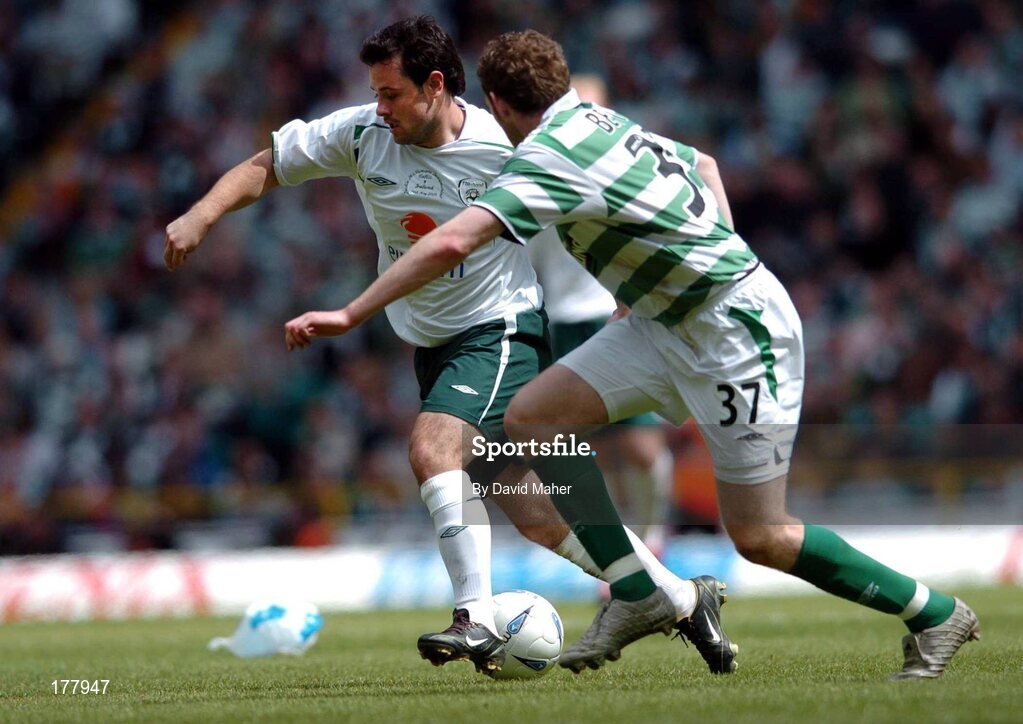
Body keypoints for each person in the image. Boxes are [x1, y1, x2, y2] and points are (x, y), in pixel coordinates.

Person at [281, 29, 980, 681]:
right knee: (530, 420)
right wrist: (682, 261)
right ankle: (639, 589)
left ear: (494, 102)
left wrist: (350, 311)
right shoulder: (596, 119)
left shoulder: (544, 159)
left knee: (762, 535)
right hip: (658, 321)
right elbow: (702, 163)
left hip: (734, 334)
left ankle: (935, 614)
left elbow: (452, 242)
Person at [165, 17, 709, 677]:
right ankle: (676, 596)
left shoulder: (501, 144)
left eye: (391, 93)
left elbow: (609, 193)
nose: (379, 106)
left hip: (499, 329)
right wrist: (201, 215)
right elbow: (268, 166)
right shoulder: (363, 135)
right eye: (374, 92)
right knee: (534, 510)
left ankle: (473, 616)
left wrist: (633, 283)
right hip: (432, 346)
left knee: (432, 447)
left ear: (434, 85)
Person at [529, 73, 675, 555]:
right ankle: (623, 546)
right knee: (596, 450)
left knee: (639, 444)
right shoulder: (537, 164)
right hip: (562, 320)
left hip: (616, 312)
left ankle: (654, 536)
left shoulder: (620, 164)